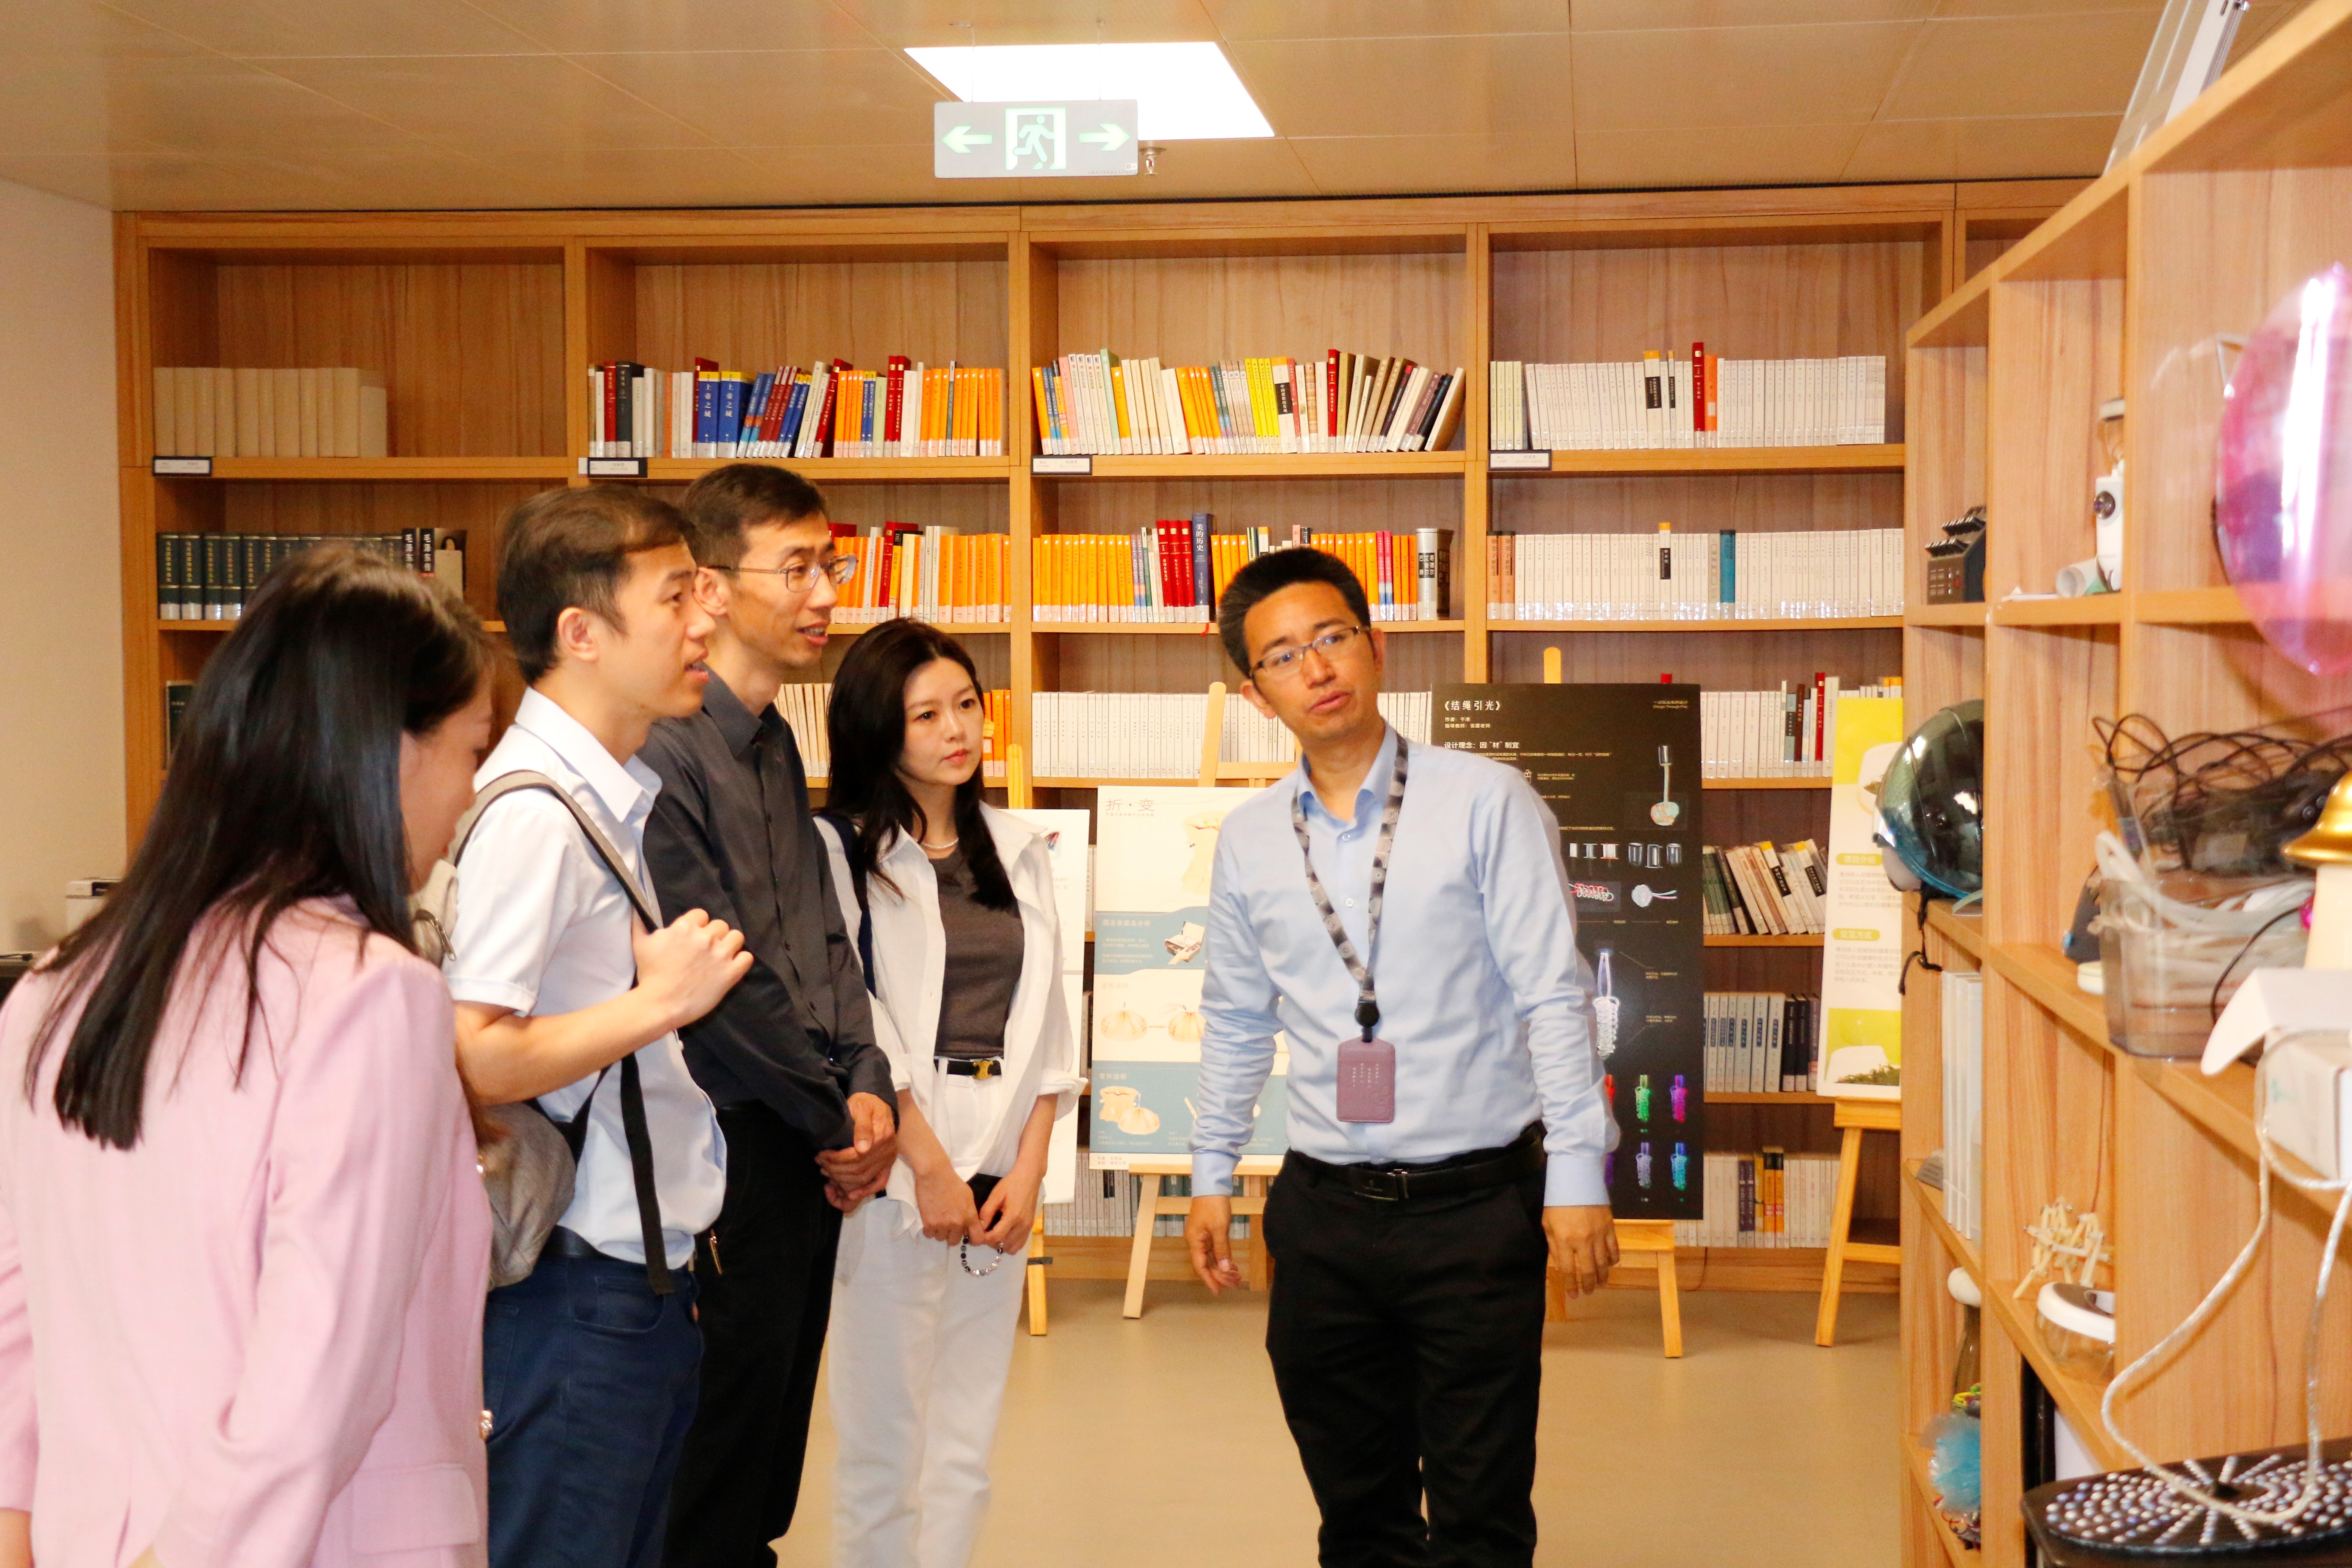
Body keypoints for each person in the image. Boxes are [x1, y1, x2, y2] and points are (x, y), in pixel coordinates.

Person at [0, 546, 496, 1567]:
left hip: (95, 1534)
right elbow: (318, 1368)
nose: (470, 795)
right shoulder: (369, 994)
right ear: (389, 752)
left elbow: (18, 1309)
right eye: (470, 750)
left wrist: (16, 1525)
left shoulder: (58, 986)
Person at [1183, 547, 1617, 1568]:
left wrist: (1577, 1173)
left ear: (1375, 646)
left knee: (1480, 1515)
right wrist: (1210, 1173)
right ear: (1255, 694)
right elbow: (1237, 1018)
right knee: (1358, 1515)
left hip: (1474, 1211)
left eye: (1332, 637)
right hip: (1324, 1215)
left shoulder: (1486, 800)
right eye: (1282, 656)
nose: (1316, 668)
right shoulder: (1249, 839)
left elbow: (1553, 994)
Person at [446, 486, 753, 1568]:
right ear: (581, 632)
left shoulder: (601, 796)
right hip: (577, 1289)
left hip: (635, 1282)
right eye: (674, 597)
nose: (706, 620)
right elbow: (474, 1053)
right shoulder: (535, 815)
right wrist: (659, 1004)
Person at [637, 464, 900, 1567]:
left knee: (772, 1446)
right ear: (709, 585)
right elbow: (723, 982)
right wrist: (837, 1121)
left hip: (806, 1136)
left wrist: (869, 1082)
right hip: (731, 1144)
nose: (827, 594)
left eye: (830, 565)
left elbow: (820, 934)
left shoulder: (777, 737)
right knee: (719, 1454)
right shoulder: (664, 750)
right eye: (797, 569)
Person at [815, 619, 1077, 1568]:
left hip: (1002, 1148)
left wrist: (1031, 1172)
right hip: (898, 1153)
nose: (957, 729)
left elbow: (1050, 1019)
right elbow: (861, 1016)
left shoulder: (1020, 845)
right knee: (883, 1443)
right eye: (925, 714)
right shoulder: (841, 851)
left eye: (966, 704)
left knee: (966, 1446)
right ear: (877, 728)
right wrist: (926, 1168)